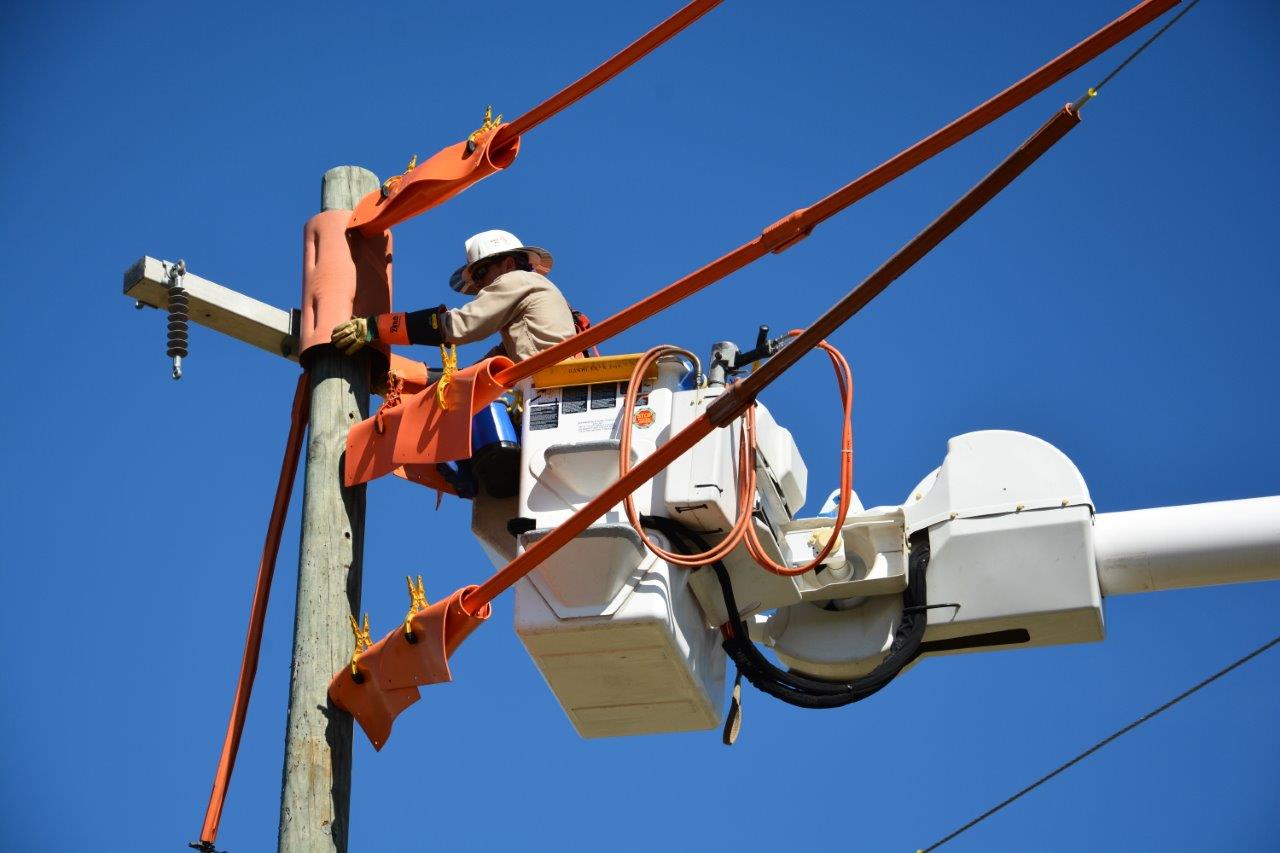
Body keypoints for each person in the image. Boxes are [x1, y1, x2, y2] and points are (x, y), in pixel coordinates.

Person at [331, 229, 576, 363]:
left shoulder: (517, 280)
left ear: (509, 264)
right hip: (557, 390)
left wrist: (375, 328)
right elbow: (477, 373)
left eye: (480, 272)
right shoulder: (527, 316)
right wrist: (414, 380)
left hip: (552, 387)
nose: (479, 285)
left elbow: (458, 326)